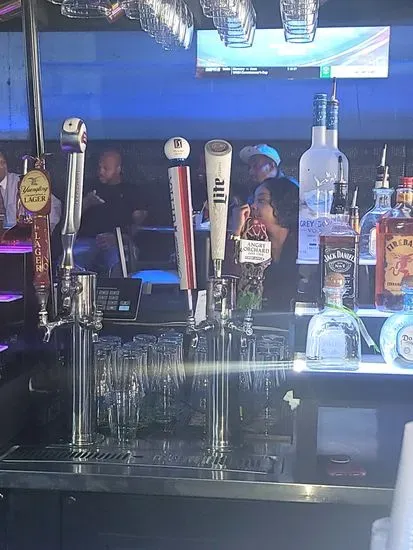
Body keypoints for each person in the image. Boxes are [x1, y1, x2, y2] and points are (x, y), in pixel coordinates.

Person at [73, 149, 149, 276]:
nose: (100, 172)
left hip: (118, 243)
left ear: (118, 169)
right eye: (99, 167)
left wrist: (119, 238)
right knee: (70, 261)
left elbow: (139, 226)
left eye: (106, 168)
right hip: (87, 242)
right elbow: (69, 218)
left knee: (119, 263)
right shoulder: (87, 187)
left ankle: (119, 289)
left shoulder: (132, 191)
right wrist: (86, 202)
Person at [231, 176, 299, 311]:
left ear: (282, 204)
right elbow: (232, 281)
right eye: (254, 200)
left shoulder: (302, 245)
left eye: (261, 200)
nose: (253, 206)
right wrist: (236, 231)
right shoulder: (253, 240)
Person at [0, 150, 62, 231]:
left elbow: (54, 204)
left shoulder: (24, 183)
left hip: (21, 237)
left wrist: (43, 230)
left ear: (3, 164)